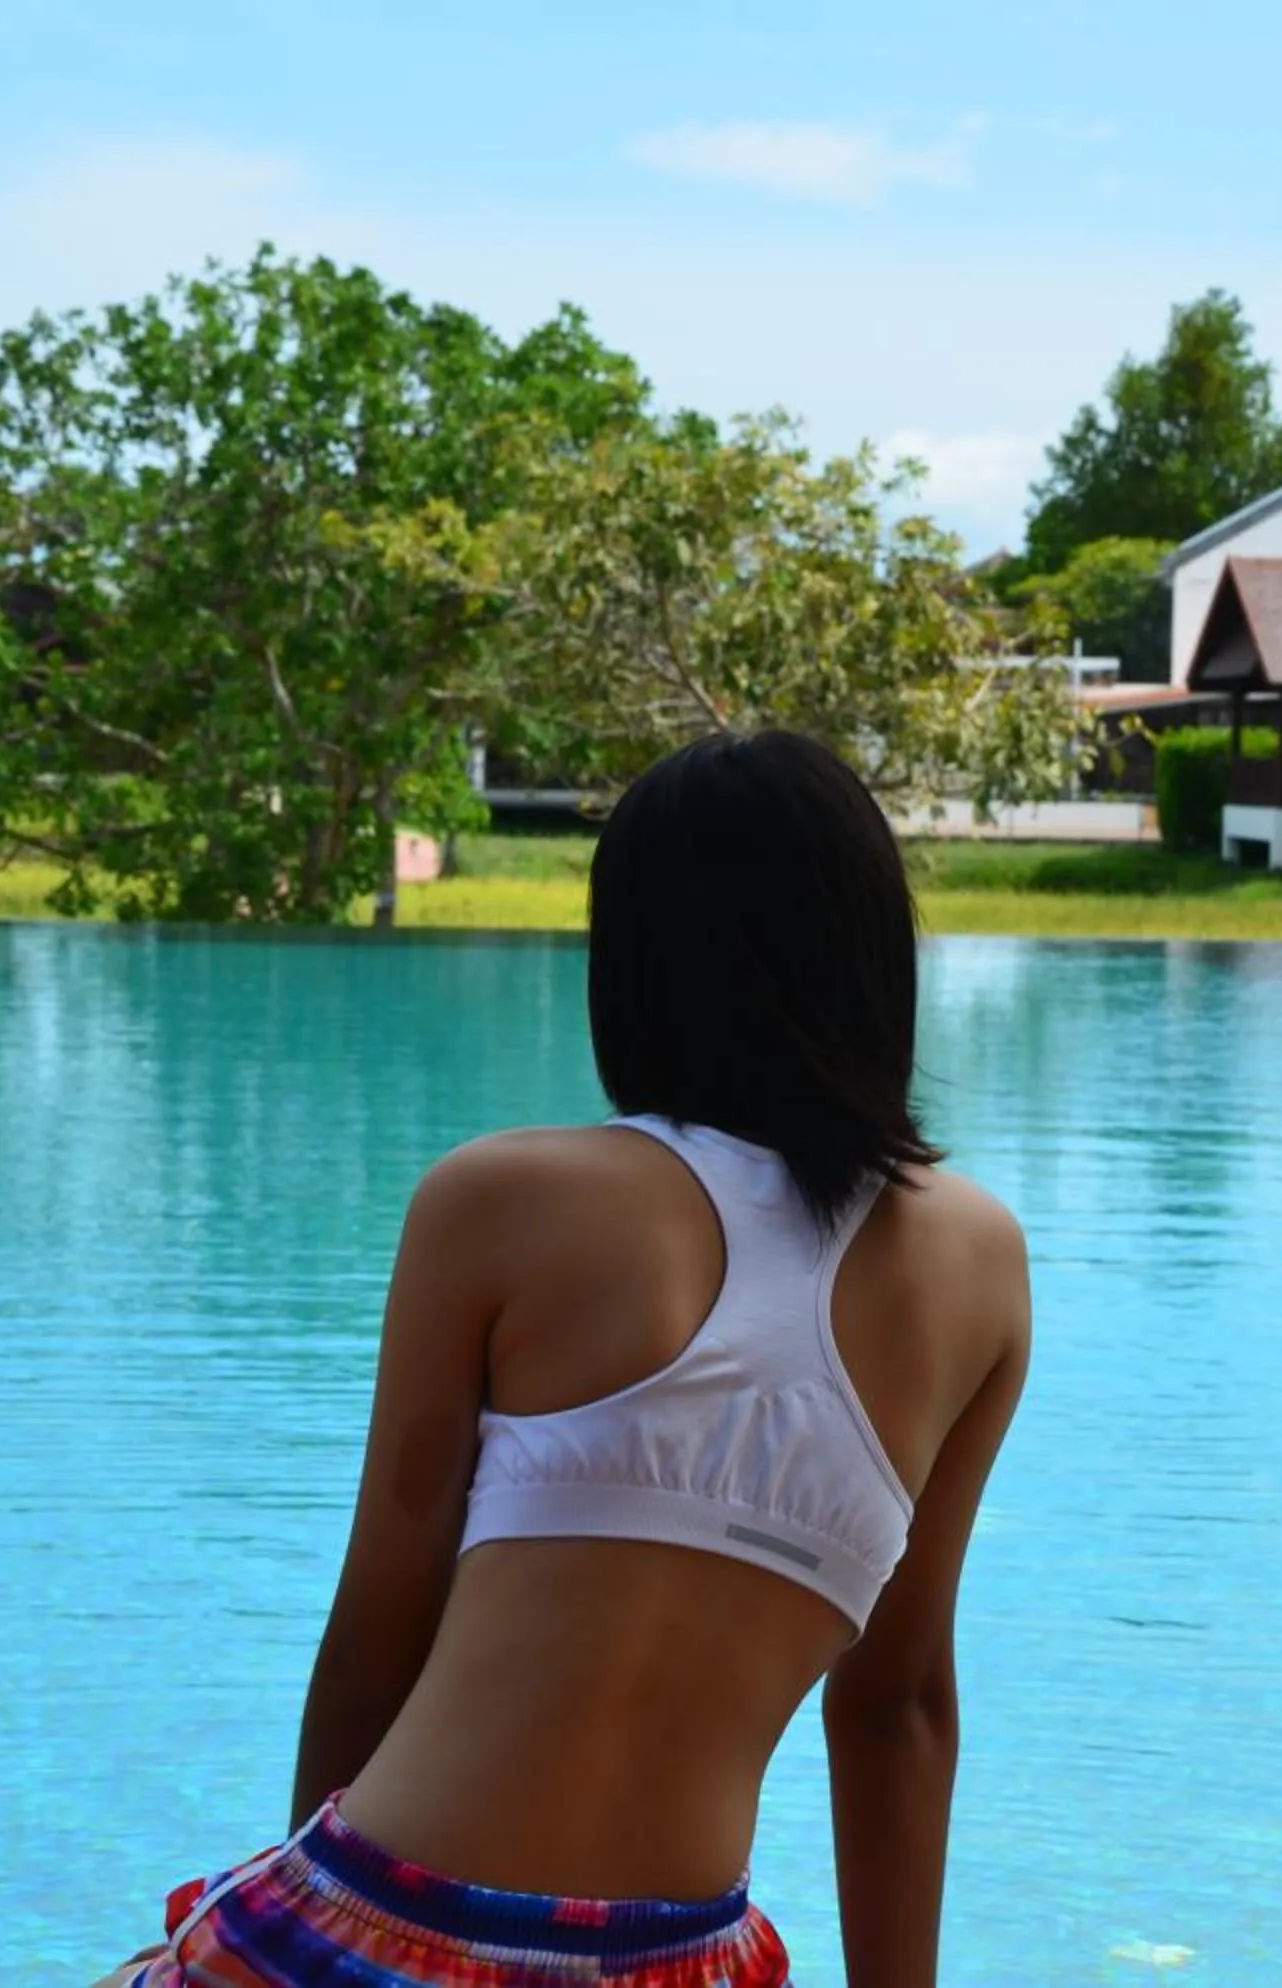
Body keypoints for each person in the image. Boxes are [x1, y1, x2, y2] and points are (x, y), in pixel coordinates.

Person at [102, 730, 1033, 1988]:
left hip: (388, 1917)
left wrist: (293, 1917)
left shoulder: (503, 1198)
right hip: (680, 1963)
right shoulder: (978, 1265)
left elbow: (382, 1628)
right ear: (873, 954)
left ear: (635, 961)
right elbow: (898, 1703)